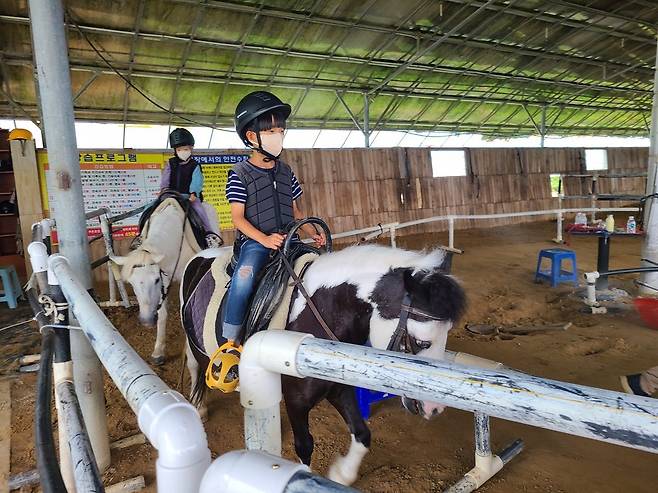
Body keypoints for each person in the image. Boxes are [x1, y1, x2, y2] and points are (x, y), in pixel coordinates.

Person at [221, 91, 325, 354]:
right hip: (256, 243)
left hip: (291, 238)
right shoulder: (239, 174)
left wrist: (313, 232)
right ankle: (230, 343)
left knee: (322, 266)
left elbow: (296, 209)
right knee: (244, 280)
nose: (277, 136)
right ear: (251, 136)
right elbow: (237, 219)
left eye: (280, 130)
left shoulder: (286, 171)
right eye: (270, 131)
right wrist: (264, 240)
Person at [161, 128, 221, 247]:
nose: (183, 151)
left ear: (191, 149)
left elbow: (197, 180)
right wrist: (163, 190)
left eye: (186, 149)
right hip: (171, 195)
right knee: (151, 208)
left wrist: (193, 192)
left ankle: (209, 234)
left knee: (200, 210)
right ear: (175, 151)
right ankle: (143, 235)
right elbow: (166, 178)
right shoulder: (170, 163)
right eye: (180, 149)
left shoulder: (194, 165)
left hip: (189, 197)